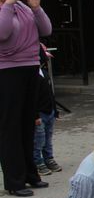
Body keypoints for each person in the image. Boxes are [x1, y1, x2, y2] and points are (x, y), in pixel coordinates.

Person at [0, 0, 51, 197]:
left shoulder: (23, 7)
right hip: (7, 71)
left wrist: (36, 8)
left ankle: (31, 174)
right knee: (10, 127)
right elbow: (3, 33)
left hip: (30, 66)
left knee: (28, 123)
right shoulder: (7, 8)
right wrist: (8, 5)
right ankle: (14, 181)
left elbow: (46, 29)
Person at [33, 47, 59, 176]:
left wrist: (55, 110)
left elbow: (50, 94)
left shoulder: (44, 73)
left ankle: (49, 158)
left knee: (48, 138)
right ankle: (38, 161)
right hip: (40, 113)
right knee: (39, 140)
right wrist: (35, 115)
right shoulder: (32, 76)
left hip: (49, 112)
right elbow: (31, 99)